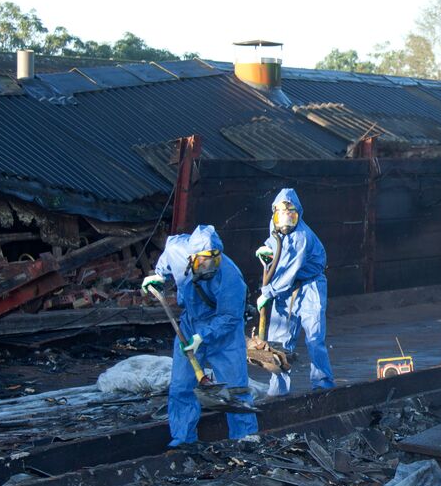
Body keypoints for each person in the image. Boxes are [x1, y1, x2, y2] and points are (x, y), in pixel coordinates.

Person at [140, 225, 259, 447]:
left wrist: (202, 338)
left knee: (235, 388)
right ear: (190, 257)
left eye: (212, 261)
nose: (208, 267)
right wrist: (157, 276)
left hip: (224, 332)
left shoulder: (231, 277)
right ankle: (183, 438)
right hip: (190, 323)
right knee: (181, 385)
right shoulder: (176, 250)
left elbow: (229, 317)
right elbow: (165, 264)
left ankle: (245, 439)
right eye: (202, 261)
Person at [254, 188, 334, 396]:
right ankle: (278, 388)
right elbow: (276, 248)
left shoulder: (302, 236)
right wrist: (267, 250)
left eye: (291, 214)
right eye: (282, 214)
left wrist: (268, 292)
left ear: (298, 214)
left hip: (310, 286)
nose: (286, 219)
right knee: (280, 340)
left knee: (315, 338)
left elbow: (290, 270)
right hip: (286, 290)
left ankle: (322, 384)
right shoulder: (275, 228)